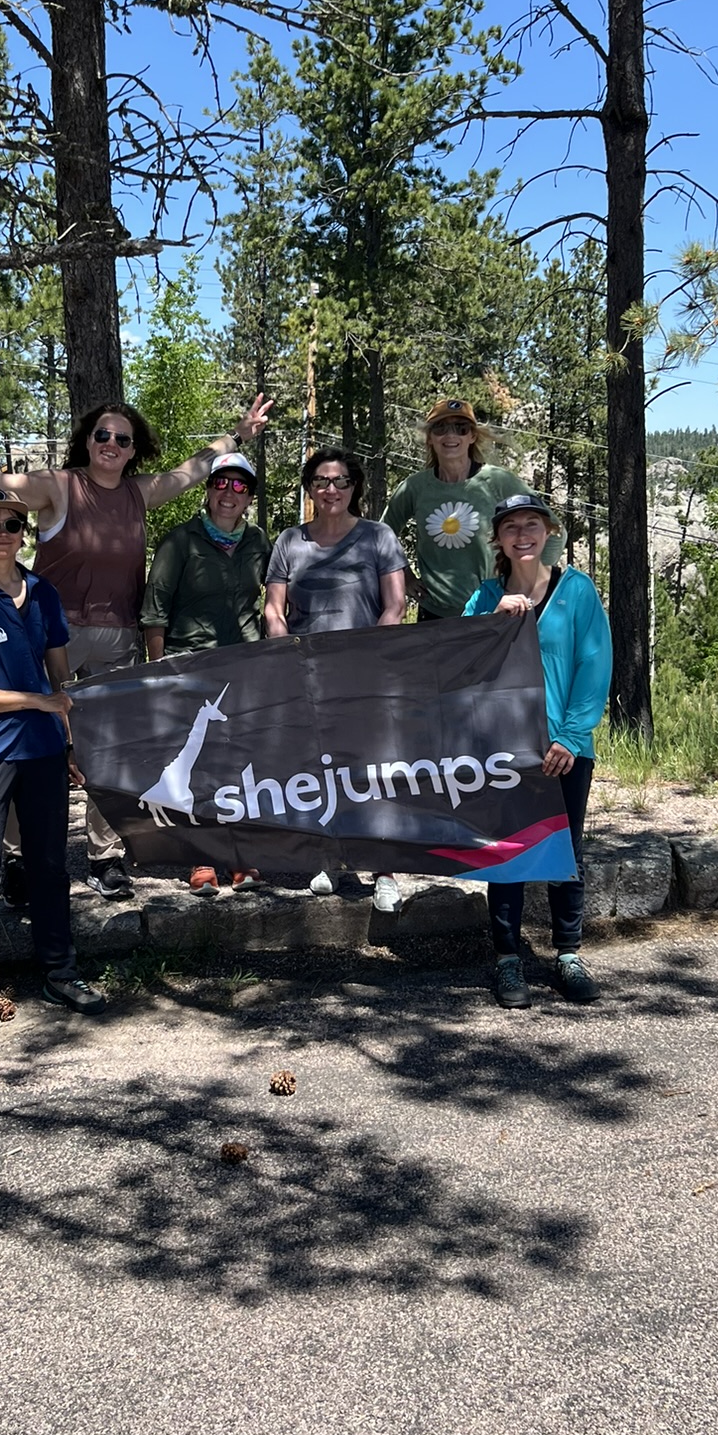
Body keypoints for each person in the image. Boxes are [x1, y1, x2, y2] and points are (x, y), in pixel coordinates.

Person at [0, 380, 272, 899]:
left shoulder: (140, 492)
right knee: (28, 738)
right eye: (102, 435)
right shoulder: (58, 486)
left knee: (108, 749)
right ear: (87, 440)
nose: (111, 445)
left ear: (133, 448)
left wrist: (237, 436)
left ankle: (105, 856)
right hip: (54, 632)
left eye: (122, 439)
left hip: (118, 636)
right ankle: (16, 857)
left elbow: (191, 471)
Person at [0, 490, 108, 1057]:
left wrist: (71, 744)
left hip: (41, 754)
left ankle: (60, 972)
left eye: (12, 522)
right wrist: (35, 702)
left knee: (50, 866)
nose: (1, 530)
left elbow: (62, 687)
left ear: (23, 531)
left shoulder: (43, 594)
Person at [463, 491, 612, 1009]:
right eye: (511, 527)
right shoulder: (484, 598)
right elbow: (456, 663)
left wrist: (571, 737)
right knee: (507, 854)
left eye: (532, 525)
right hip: (503, 750)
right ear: (498, 540)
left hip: (563, 749)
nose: (522, 535)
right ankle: (507, 960)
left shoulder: (577, 592)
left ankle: (568, 954)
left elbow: (593, 668)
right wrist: (491, 621)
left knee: (563, 851)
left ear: (549, 532)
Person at [264, 445, 408, 912]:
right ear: (309, 488)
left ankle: (384, 870)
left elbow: (396, 605)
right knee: (322, 769)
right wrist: (287, 655)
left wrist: (372, 654)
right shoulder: (289, 541)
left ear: (354, 488)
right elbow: (273, 608)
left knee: (374, 769)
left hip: (368, 674)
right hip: (309, 675)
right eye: (322, 481)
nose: (331, 489)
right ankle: (329, 857)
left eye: (340, 481)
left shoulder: (378, 536)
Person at [141, 452, 271, 897]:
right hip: (190, 667)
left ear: (249, 496)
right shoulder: (180, 541)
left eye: (239, 486)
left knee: (239, 764)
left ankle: (241, 858)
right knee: (196, 766)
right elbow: (154, 611)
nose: (228, 493)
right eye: (221, 484)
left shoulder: (258, 543)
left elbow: (268, 604)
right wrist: (162, 669)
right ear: (208, 489)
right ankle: (201, 859)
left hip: (246, 668)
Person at [382, 398, 529, 620]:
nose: (450, 435)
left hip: (492, 610)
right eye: (440, 428)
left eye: (460, 428)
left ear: (472, 436)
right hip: (434, 616)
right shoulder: (415, 487)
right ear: (430, 438)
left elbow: (552, 533)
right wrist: (405, 577)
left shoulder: (499, 482)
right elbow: (381, 537)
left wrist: (527, 585)